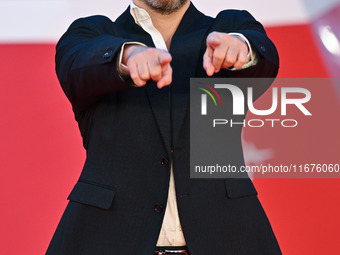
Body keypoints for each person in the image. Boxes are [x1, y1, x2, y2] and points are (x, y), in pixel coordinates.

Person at [47, 0, 281, 254]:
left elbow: (263, 57)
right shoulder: (93, 33)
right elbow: (77, 65)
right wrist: (128, 56)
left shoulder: (229, 27)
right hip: (105, 239)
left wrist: (240, 50)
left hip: (229, 236)